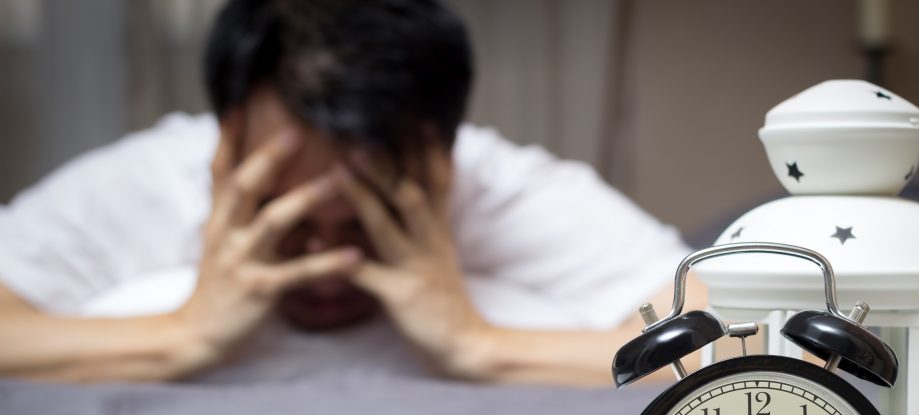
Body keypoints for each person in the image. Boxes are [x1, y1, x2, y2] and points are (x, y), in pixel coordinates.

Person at [0, 0, 700, 385]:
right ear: (227, 143)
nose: (327, 255)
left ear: (443, 158)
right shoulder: (157, 176)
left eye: (371, 213)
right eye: (287, 209)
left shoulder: (502, 187)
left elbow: (738, 343)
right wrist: (180, 334)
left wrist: (477, 343)